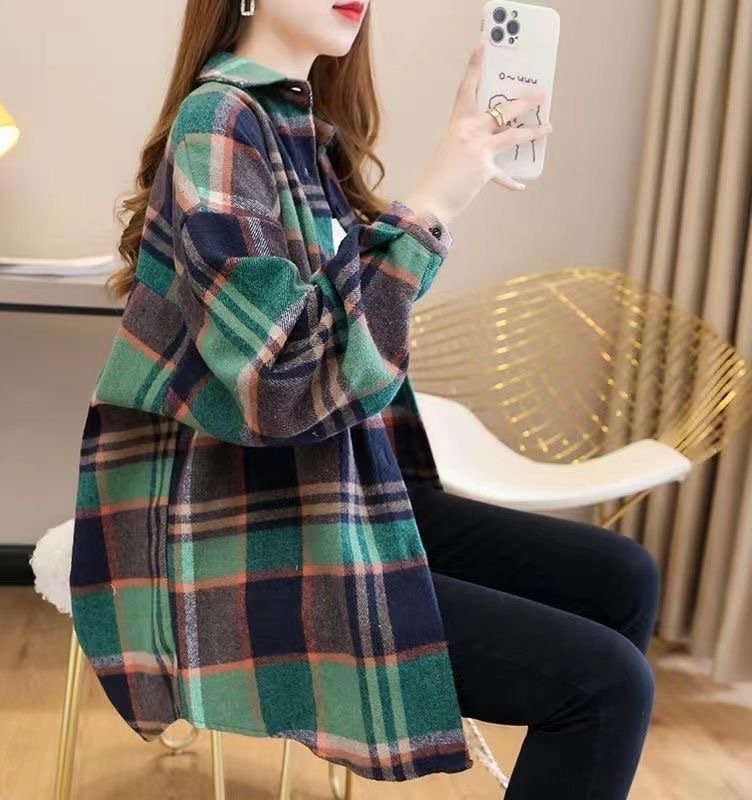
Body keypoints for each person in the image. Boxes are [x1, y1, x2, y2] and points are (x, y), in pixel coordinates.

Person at [70, 2, 660, 799]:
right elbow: (277, 387)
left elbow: (340, 338)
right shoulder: (219, 122)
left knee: (623, 576)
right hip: (250, 525)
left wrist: (436, 201)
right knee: (606, 684)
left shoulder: (303, 135)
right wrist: (432, 206)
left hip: (335, 486)